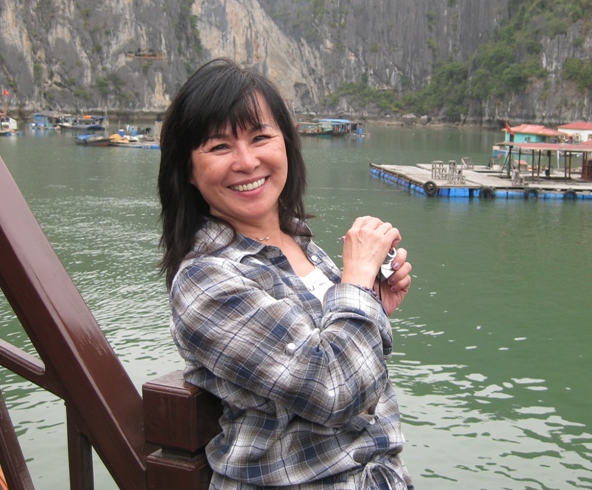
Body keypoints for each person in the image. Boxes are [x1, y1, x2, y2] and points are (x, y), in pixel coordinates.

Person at [158, 58, 413, 489]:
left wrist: (372, 300)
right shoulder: (204, 282)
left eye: (261, 138)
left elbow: (345, 359)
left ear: (287, 146)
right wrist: (354, 282)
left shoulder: (302, 245)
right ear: (188, 172)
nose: (247, 161)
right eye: (219, 147)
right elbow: (333, 389)